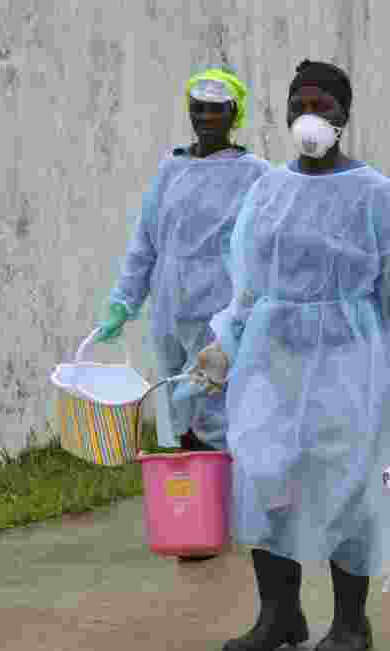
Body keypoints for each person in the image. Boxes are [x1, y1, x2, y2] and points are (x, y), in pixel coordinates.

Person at [191, 60, 390, 651]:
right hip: (273, 354)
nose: (310, 116)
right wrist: (223, 342)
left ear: (344, 115)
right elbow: (249, 284)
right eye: (299, 103)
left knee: (345, 486)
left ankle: (350, 621)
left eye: (324, 105)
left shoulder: (374, 195)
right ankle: (279, 614)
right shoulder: (269, 190)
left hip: (347, 359)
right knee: (266, 475)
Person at [96, 68, 270, 557]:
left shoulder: (255, 174)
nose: (206, 118)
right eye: (199, 108)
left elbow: (268, 244)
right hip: (171, 311)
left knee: (220, 408)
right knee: (182, 409)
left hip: (221, 313)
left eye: (217, 109)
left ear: (235, 114)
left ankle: (229, 519)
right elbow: (145, 243)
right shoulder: (170, 170)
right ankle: (198, 519)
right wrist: (123, 301)